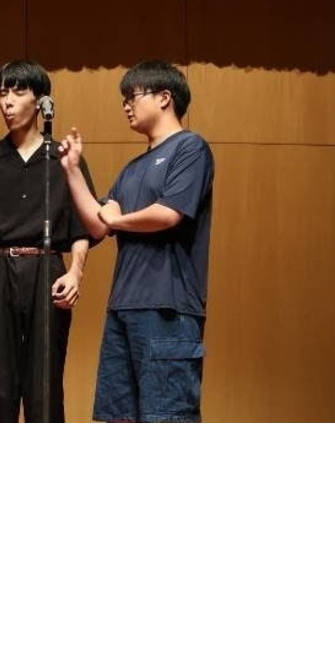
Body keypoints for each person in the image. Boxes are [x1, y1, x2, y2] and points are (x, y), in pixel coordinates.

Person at [56, 60, 215, 422]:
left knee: (166, 419)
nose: (126, 105)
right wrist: (73, 171)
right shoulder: (132, 169)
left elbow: (168, 214)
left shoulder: (190, 148)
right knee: (118, 419)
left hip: (168, 309)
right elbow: (98, 226)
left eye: (133, 96)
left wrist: (117, 219)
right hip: (123, 308)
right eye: (124, 99)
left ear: (164, 97)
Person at [0, 60, 97, 422]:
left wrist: (75, 273)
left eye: (18, 91)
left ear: (41, 101)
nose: (7, 101)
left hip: (47, 270)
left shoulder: (64, 160)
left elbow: (82, 228)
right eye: (2, 93)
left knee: (45, 383)